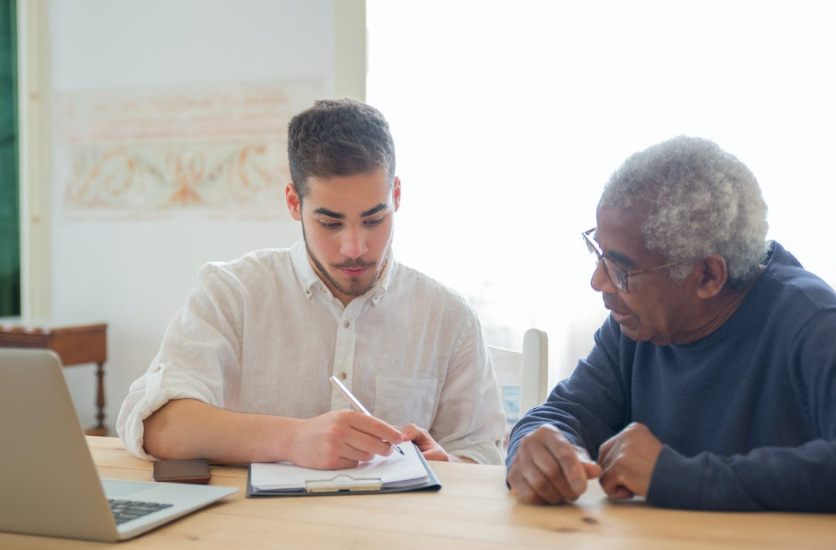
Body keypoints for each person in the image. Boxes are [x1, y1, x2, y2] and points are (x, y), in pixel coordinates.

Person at [117, 98, 505, 469]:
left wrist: (448, 464)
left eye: (373, 219)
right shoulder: (232, 292)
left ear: (397, 196)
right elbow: (156, 424)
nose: (355, 248)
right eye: (330, 223)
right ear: (293, 203)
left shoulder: (448, 316)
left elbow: (484, 456)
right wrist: (292, 439)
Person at [506, 136, 836, 512]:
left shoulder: (813, 324)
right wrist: (536, 446)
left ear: (709, 276)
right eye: (598, 253)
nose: (598, 282)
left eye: (620, 268)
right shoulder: (636, 325)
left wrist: (674, 476)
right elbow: (563, 413)